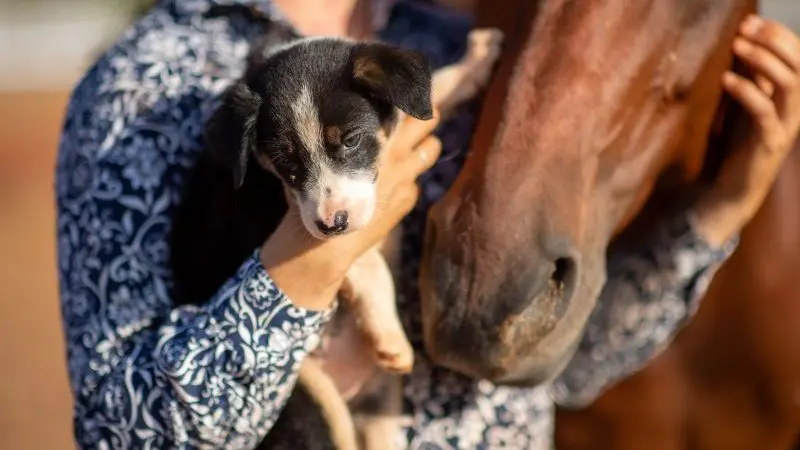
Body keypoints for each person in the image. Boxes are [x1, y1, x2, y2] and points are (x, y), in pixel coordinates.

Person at [55, 0, 800, 447]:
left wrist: (719, 209)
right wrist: (307, 258)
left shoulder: (456, 46)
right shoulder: (146, 85)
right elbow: (127, 431)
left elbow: (563, 371)